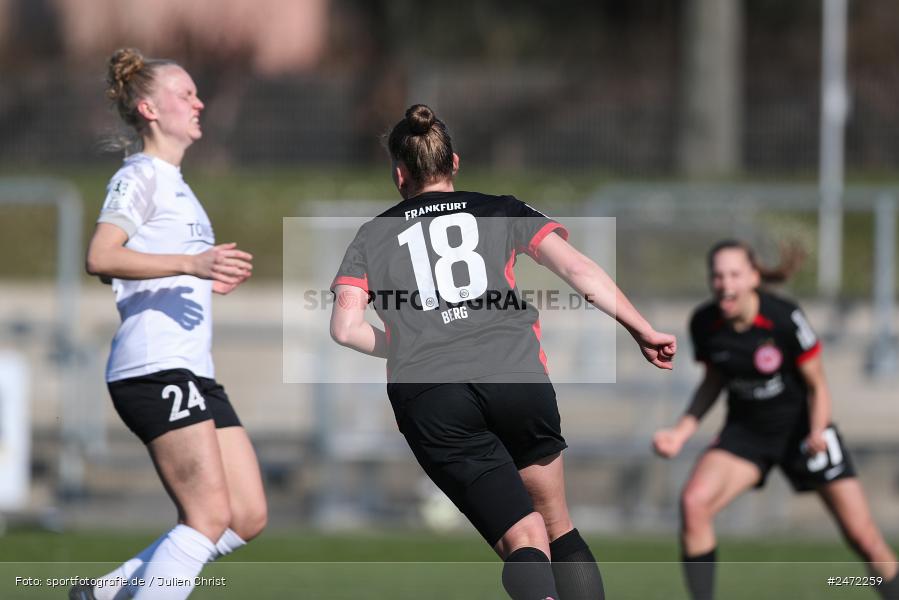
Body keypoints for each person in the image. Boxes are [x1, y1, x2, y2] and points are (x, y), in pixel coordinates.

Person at [330, 103, 677, 600]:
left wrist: (404, 343)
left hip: (432, 396)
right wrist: (641, 329)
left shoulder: (371, 235)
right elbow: (579, 271)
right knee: (556, 527)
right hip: (515, 378)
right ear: (454, 164)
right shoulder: (502, 208)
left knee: (523, 540)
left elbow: (345, 328)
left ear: (399, 173)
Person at [69, 48, 266, 600]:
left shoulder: (179, 186)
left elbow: (134, 271)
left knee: (244, 515)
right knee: (205, 516)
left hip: (194, 370)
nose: (199, 102)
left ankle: (104, 593)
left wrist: (203, 278)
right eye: (186, 93)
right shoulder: (141, 177)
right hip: (155, 367)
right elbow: (101, 256)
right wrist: (190, 264)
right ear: (151, 108)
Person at [652, 240, 899, 600]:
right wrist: (680, 432)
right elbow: (713, 382)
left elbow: (818, 386)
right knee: (694, 503)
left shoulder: (784, 317)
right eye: (717, 275)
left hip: (804, 431)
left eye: (734, 274)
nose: (725, 283)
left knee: (864, 538)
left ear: (753, 277)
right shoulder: (705, 323)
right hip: (747, 435)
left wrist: (817, 431)